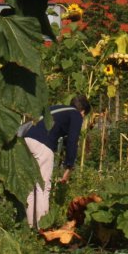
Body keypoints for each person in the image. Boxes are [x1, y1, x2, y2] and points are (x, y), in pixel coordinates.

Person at [23, 95, 91, 228]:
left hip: (26, 140)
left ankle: (30, 227)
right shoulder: (76, 115)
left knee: (31, 187)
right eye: (84, 116)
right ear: (82, 111)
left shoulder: (55, 108)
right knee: (43, 187)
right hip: (42, 144)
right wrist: (69, 167)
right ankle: (43, 228)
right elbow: (72, 141)